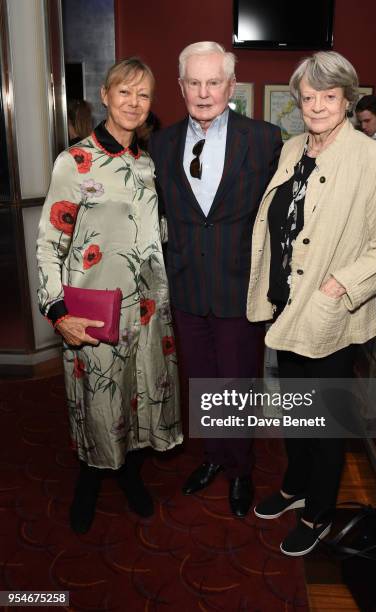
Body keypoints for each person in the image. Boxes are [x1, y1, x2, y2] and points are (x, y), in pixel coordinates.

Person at [247, 51, 376, 555]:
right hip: (285, 305)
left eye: (329, 97)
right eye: (309, 97)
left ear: (347, 100)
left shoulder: (369, 157)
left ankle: (318, 512)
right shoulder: (293, 147)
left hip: (329, 313)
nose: (317, 106)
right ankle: (297, 487)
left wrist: (340, 285)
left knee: (325, 421)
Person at [37, 58, 182, 534]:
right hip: (93, 310)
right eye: (125, 92)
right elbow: (48, 242)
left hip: (146, 308)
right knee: (97, 400)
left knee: (136, 393)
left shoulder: (145, 162)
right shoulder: (74, 161)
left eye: (144, 95)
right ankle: (90, 478)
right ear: (105, 94)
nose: (134, 103)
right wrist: (57, 310)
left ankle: (129, 474)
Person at [149, 41, 282, 517]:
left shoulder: (265, 139)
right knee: (201, 379)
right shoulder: (159, 144)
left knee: (238, 382)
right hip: (186, 287)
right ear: (180, 86)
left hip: (240, 287)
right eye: (194, 83)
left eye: (214, 82)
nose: (204, 92)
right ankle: (211, 457)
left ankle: (241, 469)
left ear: (231, 85)